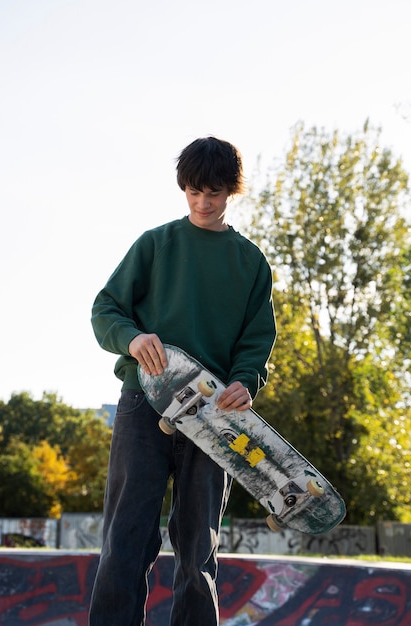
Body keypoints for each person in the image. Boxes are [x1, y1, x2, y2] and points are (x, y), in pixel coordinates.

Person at [88, 136, 276, 626]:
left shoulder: (249, 261)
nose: (202, 202)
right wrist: (130, 339)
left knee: (199, 550)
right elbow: (105, 308)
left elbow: (257, 341)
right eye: (192, 192)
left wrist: (245, 382)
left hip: (214, 417)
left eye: (212, 192)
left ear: (231, 191)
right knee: (125, 541)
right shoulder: (156, 244)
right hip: (143, 404)